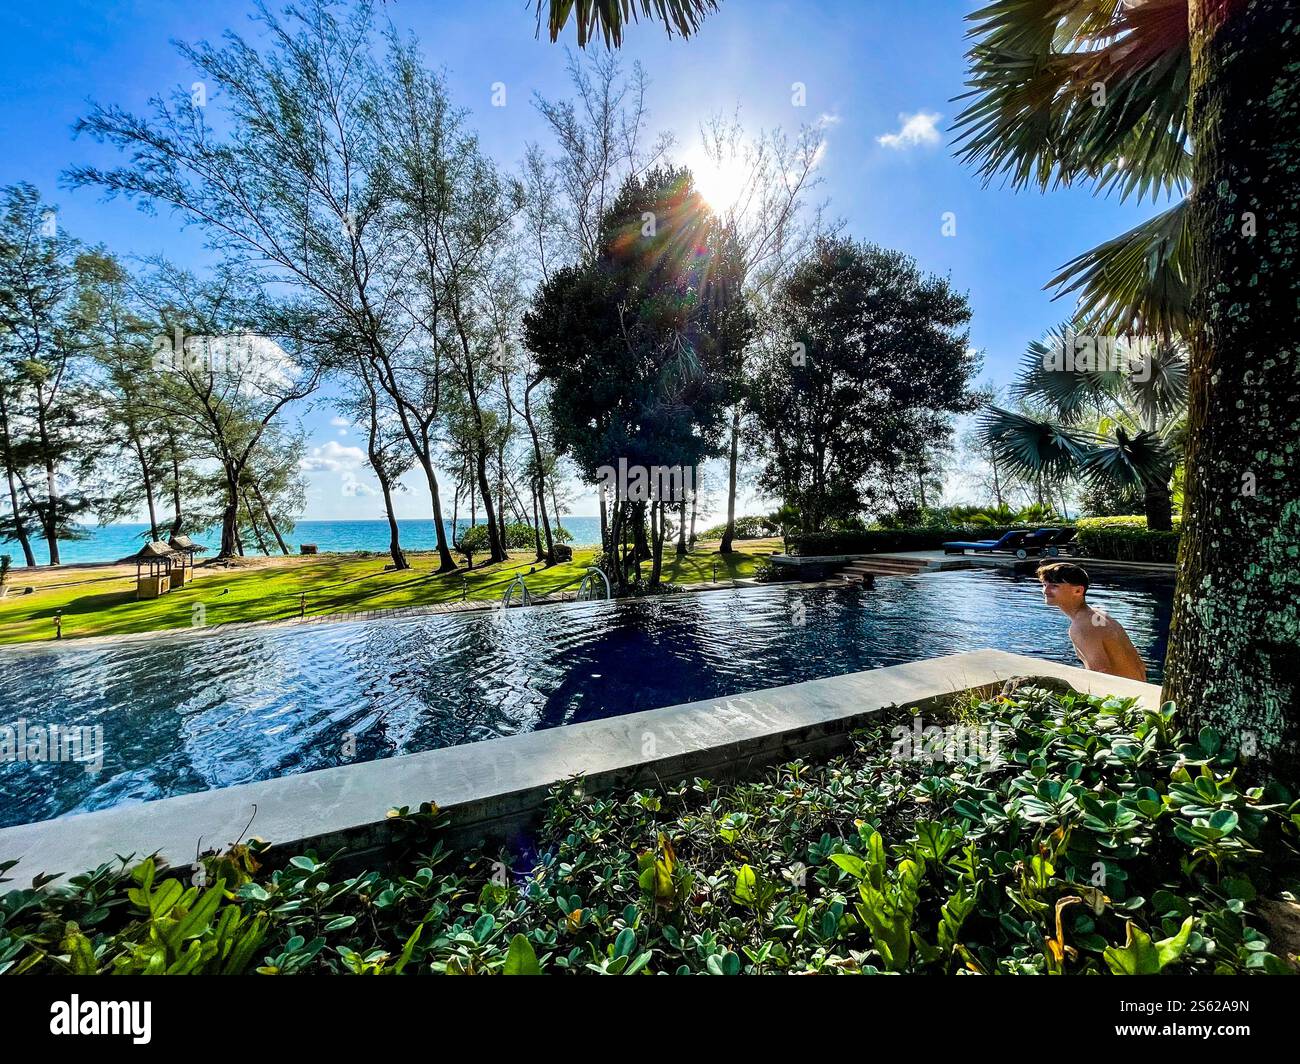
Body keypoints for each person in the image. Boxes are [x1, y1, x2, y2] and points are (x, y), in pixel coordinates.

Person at [1037, 562, 1148, 681]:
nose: (1045, 591)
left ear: (1078, 591)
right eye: (1044, 585)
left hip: (1123, 695)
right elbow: (1139, 666)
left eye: (1054, 586)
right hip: (1138, 690)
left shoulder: (1082, 626)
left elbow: (1100, 674)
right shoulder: (1098, 616)